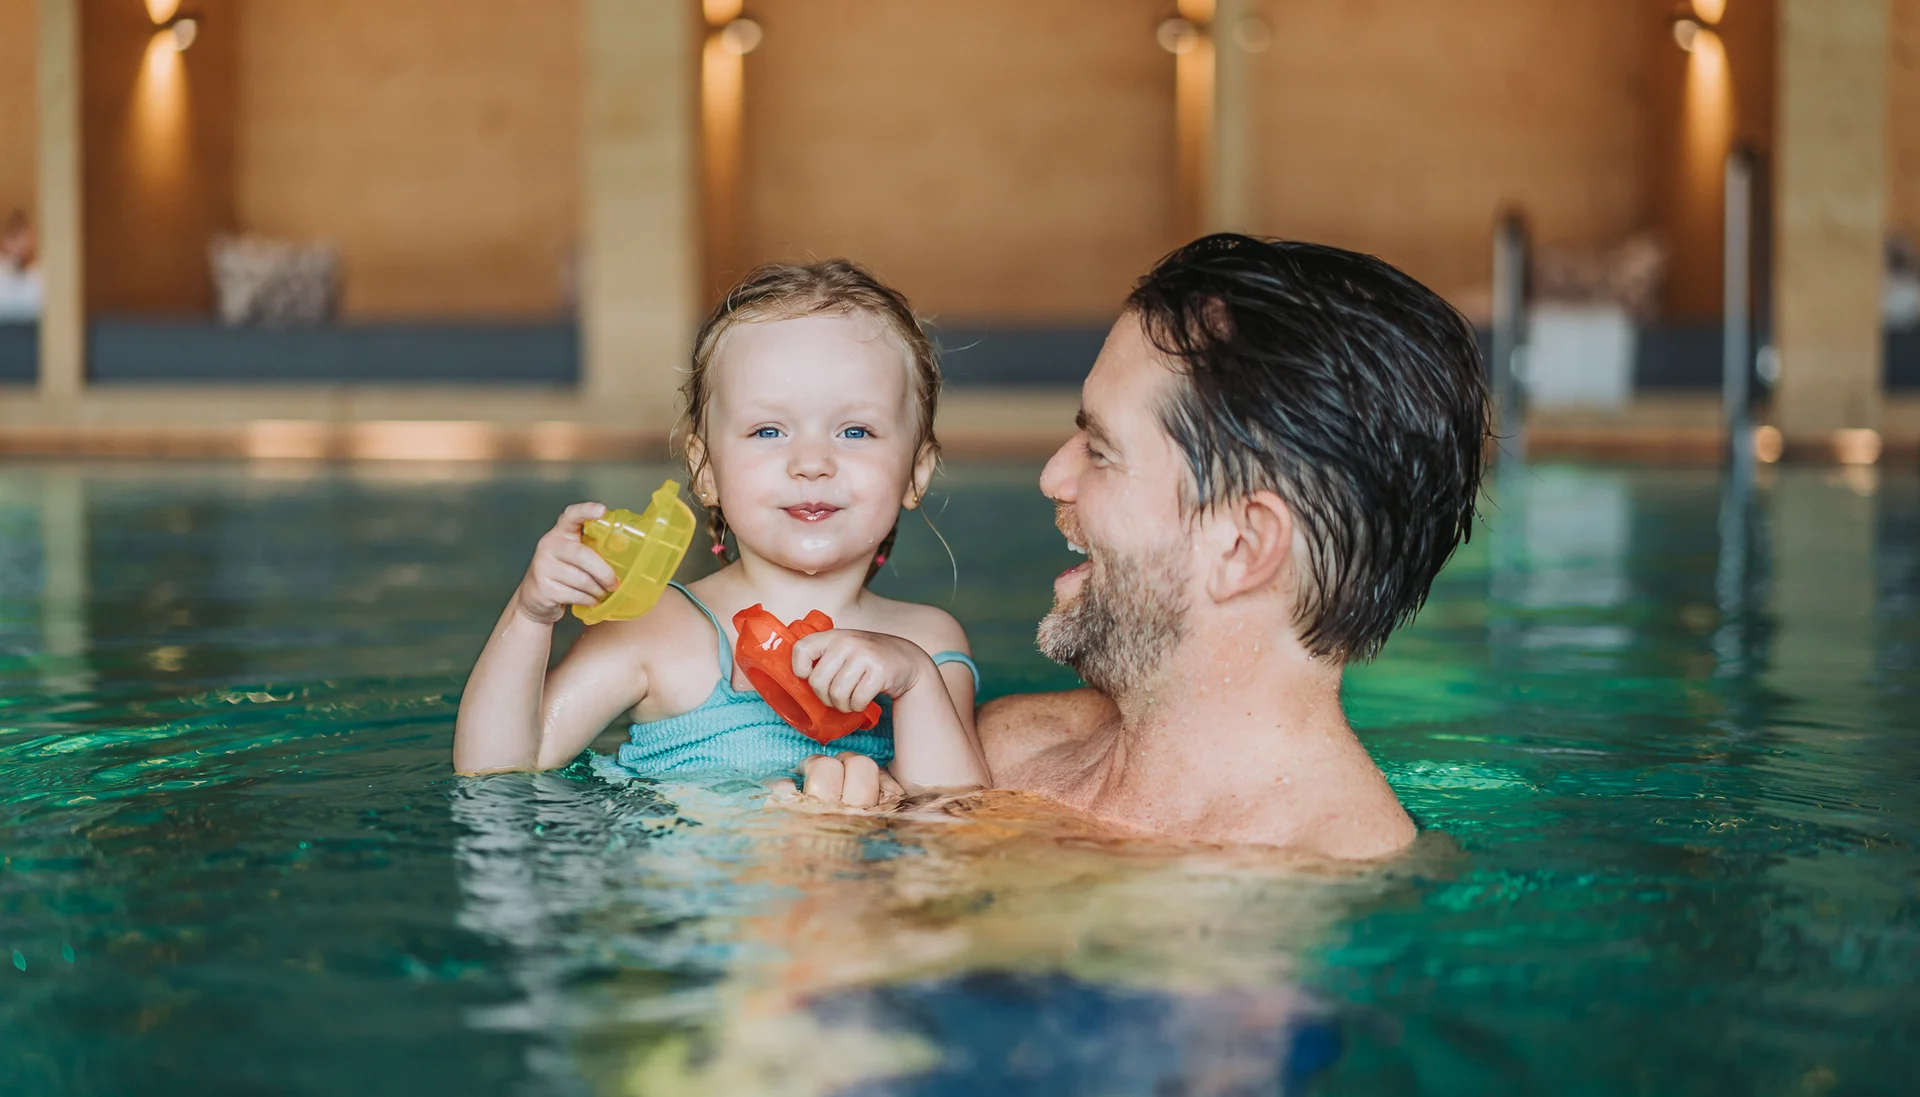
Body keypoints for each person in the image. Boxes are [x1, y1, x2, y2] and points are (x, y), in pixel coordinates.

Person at [978, 234, 1490, 860]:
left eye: (1102, 452)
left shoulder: (1303, 885)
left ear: (1243, 546)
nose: (1053, 477)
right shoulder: (1004, 745)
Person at [454, 260, 989, 800]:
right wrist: (530, 615)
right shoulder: (656, 629)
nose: (811, 462)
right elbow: (497, 770)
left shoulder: (926, 643)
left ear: (915, 473)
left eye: (855, 430)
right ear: (706, 471)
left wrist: (915, 681)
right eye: (768, 429)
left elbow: (957, 821)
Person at [0, 210, 42, 321]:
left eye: (24, 238)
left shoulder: (39, 275)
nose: (20, 245)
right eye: (15, 238)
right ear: (5, 239)